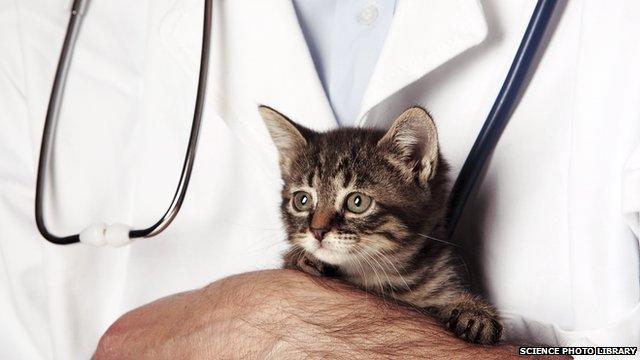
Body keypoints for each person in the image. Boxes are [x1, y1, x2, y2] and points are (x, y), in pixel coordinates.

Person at [1, 0, 638, 358]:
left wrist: (286, 328)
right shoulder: (41, 27)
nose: (320, 224)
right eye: (306, 203)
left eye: (349, 205)